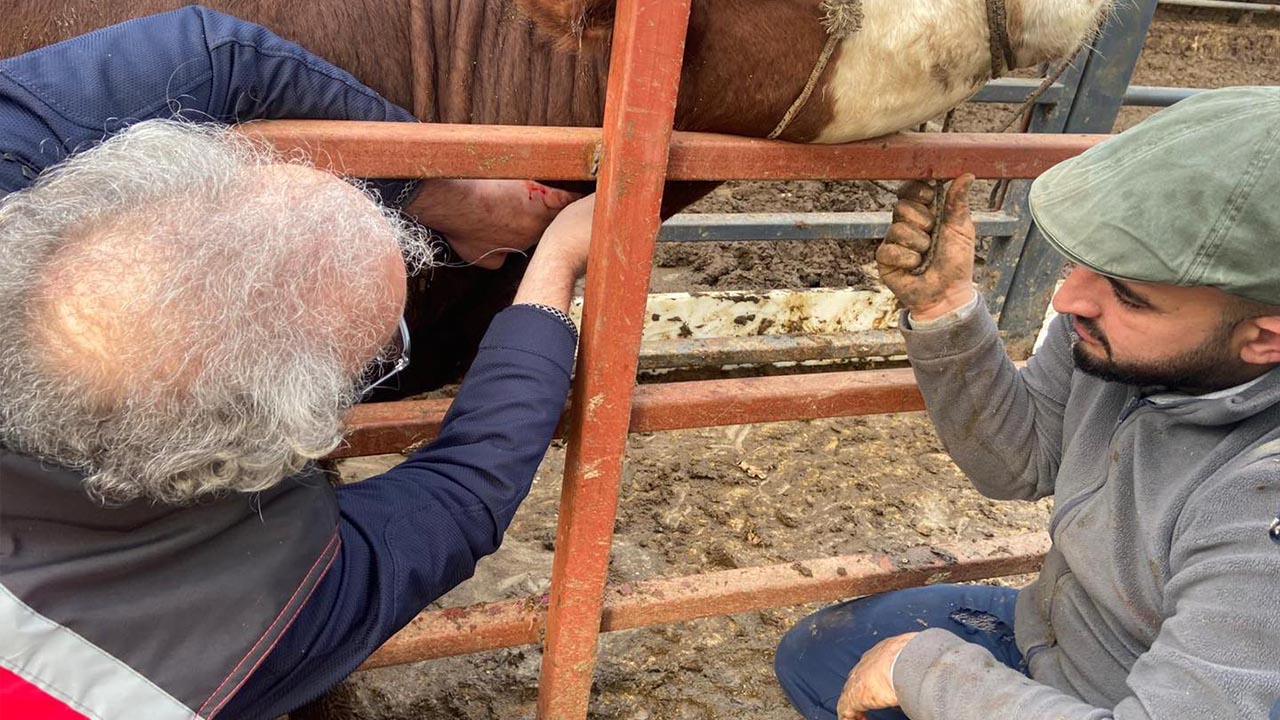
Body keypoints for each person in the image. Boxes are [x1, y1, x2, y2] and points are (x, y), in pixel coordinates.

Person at [0, 8, 590, 720]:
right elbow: (465, 488)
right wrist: (558, 257)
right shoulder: (270, 619)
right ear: (278, 440)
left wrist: (454, 195)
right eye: (382, 348)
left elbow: (208, 50)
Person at [774, 86, 1280, 719]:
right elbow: (1019, 461)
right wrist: (944, 309)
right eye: (1084, 263)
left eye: (1128, 296)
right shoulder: (1127, 345)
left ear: (1265, 340)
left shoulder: (1260, 506)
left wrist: (927, 673)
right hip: (1067, 635)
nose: (1067, 300)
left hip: (1142, 698)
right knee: (817, 656)